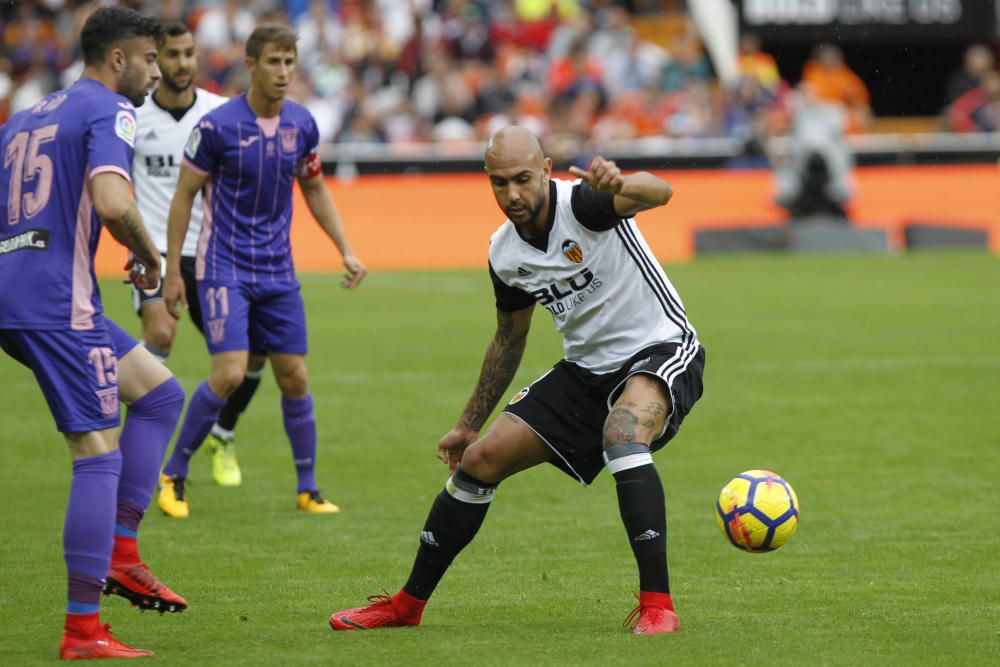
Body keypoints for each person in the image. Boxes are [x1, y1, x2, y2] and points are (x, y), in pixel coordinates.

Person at [328, 126, 705, 636]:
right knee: (480, 460)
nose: (512, 194)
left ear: (547, 170)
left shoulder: (586, 204)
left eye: (523, 179)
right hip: (585, 370)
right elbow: (509, 339)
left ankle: (659, 606)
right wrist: (467, 424)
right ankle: (407, 604)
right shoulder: (505, 253)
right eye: (499, 183)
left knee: (622, 433)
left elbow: (661, 193)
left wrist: (621, 182)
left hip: (659, 347)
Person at [0, 7, 188, 659]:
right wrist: (151, 254)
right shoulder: (112, 110)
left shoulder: (27, 113)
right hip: (59, 299)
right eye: (149, 60)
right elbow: (113, 201)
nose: (156, 71)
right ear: (118, 60)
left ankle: (124, 551)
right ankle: (83, 629)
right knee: (97, 452)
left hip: (18, 288)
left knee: (160, 393)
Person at [158, 24, 367, 518]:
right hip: (223, 267)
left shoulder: (302, 124)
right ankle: (174, 473)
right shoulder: (217, 127)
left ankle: (308, 488)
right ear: (250, 65)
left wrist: (345, 248)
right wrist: (171, 271)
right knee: (230, 373)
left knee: (294, 375)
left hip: (277, 271)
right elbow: (184, 196)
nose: (283, 72)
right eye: (273, 62)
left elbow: (314, 188)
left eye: (289, 63)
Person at [131, 20, 257, 492]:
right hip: (156, 249)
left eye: (188, 54)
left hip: (214, 251)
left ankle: (222, 434)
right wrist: (133, 248)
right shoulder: (135, 117)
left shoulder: (219, 113)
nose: (181, 63)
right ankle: (141, 449)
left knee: (251, 359)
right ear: (155, 61)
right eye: (171, 55)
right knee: (160, 329)